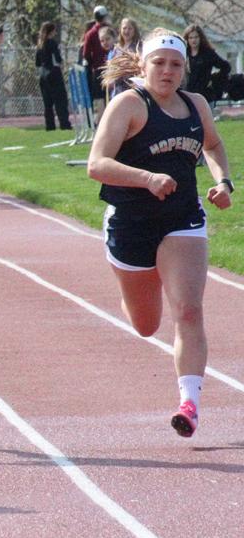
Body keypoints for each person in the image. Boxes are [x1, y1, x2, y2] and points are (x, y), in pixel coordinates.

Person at [88, 29, 233, 437]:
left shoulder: (196, 105)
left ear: (184, 69)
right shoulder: (129, 105)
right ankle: (134, 289)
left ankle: (189, 403)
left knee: (188, 309)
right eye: (160, 63)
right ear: (144, 64)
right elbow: (96, 164)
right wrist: (146, 177)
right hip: (131, 224)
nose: (168, 71)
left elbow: (214, 145)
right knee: (146, 324)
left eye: (176, 64)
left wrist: (224, 183)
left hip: (182, 218)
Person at [34, 22, 71, 131]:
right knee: (60, 100)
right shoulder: (52, 43)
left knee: (48, 103)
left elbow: (37, 63)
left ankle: (50, 126)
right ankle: (64, 124)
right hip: (54, 74)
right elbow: (57, 58)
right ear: (51, 31)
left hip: (43, 75)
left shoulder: (40, 45)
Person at [183, 24, 232, 105]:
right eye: (190, 38)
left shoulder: (208, 53)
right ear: (187, 39)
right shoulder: (184, 53)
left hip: (205, 97)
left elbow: (226, 67)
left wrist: (213, 78)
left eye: (196, 37)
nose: (193, 40)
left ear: (200, 38)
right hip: (188, 95)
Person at [80, 5, 112, 113]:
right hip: (110, 68)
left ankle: (101, 123)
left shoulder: (90, 34)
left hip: (98, 70)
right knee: (111, 97)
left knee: (100, 99)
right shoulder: (109, 30)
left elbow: (86, 54)